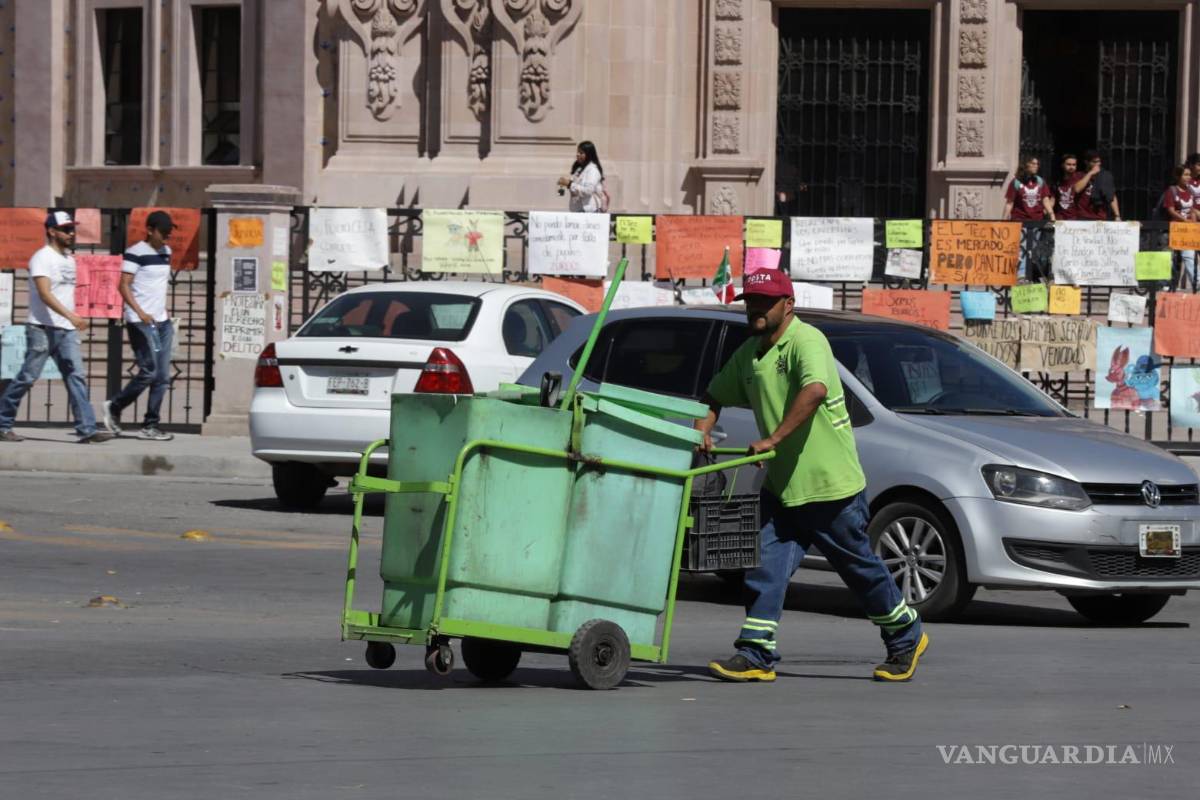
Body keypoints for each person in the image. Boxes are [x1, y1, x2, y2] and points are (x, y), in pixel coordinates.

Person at [696, 269, 927, 683]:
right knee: (763, 565)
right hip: (783, 488)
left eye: (765, 302)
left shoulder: (807, 341)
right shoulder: (750, 353)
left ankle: (905, 635)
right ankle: (755, 653)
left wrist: (773, 439)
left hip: (829, 486)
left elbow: (814, 390)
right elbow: (713, 394)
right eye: (751, 301)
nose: (755, 309)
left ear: (789, 305)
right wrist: (703, 430)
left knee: (858, 569)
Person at [0, 212, 112, 444]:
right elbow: (44, 293)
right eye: (66, 229)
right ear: (51, 231)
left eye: (72, 229)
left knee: (76, 377)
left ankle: (87, 429)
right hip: (41, 328)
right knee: (27, 378)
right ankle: (2, 424)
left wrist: (71, 318)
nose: (71, 233)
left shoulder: (69, 260)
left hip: (65, 330)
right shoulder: (43, 257)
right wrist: (71, 316)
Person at [102, 210, 176, 441]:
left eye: (169, 233)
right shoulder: (135, 253)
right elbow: (124, 285)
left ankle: (150, 425)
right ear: (150, 230)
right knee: (148, 372)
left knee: (162, 376)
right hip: (141, 322)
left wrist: (161, 312)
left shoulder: (166, 252)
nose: (167, 237)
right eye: (163, 232)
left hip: (161, 322)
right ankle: (114, 406)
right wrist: (140, 312)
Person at [1160, 164, 1197, 288]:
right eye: (1185, 175)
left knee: (1189, 256)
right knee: (1169, 257)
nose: (1188, 177)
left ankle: (1197, 283)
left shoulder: (1190, 191)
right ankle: (1166, 284)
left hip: (1186, 231)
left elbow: (1191, 209)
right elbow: (1171, 210)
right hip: (1172, 229)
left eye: (1189, 175)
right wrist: (1185, 221)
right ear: (1178, 176)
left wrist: (1192, 221)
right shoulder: (1171, 191)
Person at [1003, 154, 1055, 222]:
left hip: (1037, 221)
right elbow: (1009, 203)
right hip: (1020, 220)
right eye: (1033, 164)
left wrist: (1052, 215)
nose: (1036, 166)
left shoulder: (1040, 181)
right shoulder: (1016, 182)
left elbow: (1045, 200)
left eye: (1037, 164)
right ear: (1026, 165)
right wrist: (1003, 221)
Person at [557, 141, 606, 213]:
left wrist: (569, 184)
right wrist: (566, 183)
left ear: (589, 154)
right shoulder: (579, 169)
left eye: (581, 153)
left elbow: (588, 190)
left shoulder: (592, 170)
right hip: (578, 210)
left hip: (589, 210)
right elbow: (575, 186)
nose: (577, 154)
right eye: (577, 152)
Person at [1073, 150, 1121, 221]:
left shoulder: (1105, 176)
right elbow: (1077, 189)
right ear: (1086, 162)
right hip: (1082, 216)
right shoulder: (1079, 175)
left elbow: (1111, 196)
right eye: (1094, 162)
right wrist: (1090, 173)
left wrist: (1117, 215)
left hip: (1100, 217)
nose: (1097, 164)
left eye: (1099, 161)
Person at [1054, 153, 1080, 220]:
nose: (1071, 167)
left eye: (1074, 165)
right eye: (1068, 164)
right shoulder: (1057, 181)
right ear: (1062, 165)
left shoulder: (1080, 179)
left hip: (1076, 218)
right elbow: (1053, 199)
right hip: (1060, 218)